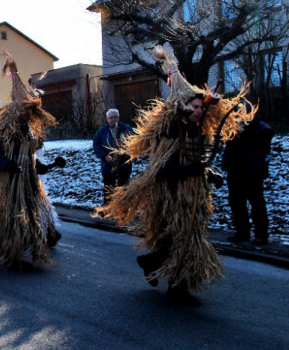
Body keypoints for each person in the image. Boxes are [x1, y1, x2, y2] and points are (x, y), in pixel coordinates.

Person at [96, 46, 253, 307]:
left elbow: (196, 162)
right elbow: (161, 169)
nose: (200, 110)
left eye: (202, 106)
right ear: (183, 106)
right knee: (182, 237)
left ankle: (152, 263)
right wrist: (189, 171)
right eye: (195, 106)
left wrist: (208, 174)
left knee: (181, 238)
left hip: (194, 194)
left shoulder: (198, 132)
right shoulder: (170, 133)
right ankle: (177, 287)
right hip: (172, 195)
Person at [0, 54, 60, 271]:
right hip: (9, 181)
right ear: (19, 108)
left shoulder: (30, 130)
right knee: (9, 217)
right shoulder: (5, 128)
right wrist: (7, 164)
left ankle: (23, 246)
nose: (29, 113)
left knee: (29, 214)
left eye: (31, 110)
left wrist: (47, 166)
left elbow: (31, 157)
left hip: (27, 181)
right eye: (26, 109)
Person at [222, 116, 275, 245]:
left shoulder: (260, 129)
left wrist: (243, 132)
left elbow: (264, 139)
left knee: (256, 203)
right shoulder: (233, 127)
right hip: (235, 169)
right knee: (237, 203)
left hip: (252, 170)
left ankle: (260, 235)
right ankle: (242, 232)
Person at [92, 109, 134, 204]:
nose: (113, 119)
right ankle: (108, 208)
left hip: (124, 164)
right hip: (108, 164)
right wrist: (104, 156)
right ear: (107, 119)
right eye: (111, 118)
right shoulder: (101, 131)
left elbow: (135, 141)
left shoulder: (127, 128)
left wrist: (125, 144)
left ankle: (122, 209)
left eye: (115, 117)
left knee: (124, 188)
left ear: (118, 118)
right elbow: (96, 145)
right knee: (108, 189)